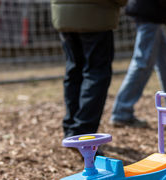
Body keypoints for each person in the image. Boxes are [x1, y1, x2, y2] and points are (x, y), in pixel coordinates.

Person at [51, 0, 127, 137]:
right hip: (96, 16)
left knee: (73, 70)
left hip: (63, 14)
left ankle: (71, 131)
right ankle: (82, 131)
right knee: (96, 73)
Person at [110, 0, 166, 128]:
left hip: (149, 11)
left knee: (163, 57)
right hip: (149, 12)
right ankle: (121, 112)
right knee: (142, 62)